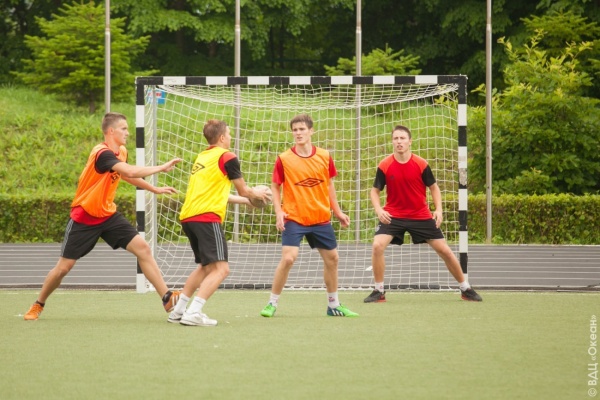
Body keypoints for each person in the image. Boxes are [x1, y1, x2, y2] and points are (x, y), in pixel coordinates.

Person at [24, 112, 182, 321]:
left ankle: (167, 298)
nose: (127, 133)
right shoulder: (101, 153)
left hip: (107, 215)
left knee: (143, 248)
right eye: (124, 129)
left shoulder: (121, 151)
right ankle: (39, 303)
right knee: (63, 268)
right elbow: (129, 171)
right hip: (84, 216)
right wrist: (161, 167)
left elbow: (125, 175)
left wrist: (154, 189)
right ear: (111, 131)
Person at [167, 119, 271, 327]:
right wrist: (257, 195)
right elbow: (244, 190)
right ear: (222, 137)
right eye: (229, 134)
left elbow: (218, 193)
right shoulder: (227, 156)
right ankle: (193, 312)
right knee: (222, 269)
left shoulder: (203, 157)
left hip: (189, 216)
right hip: (206, 217)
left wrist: (246, 201)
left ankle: (178, 311)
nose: (231, 137)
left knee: (205, 267)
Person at [364, 125, 482, 303]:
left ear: (410, 141)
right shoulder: (385, 165)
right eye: (396, 138)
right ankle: (378, 291)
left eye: (402, 138)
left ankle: (465, 288)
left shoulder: (421, 164)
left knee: (445, 250)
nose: (399, 142)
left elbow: (434, 188)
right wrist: (379, 210)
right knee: (377, 246)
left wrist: (439, 210)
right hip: (393, 215)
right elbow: (374, 191)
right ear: (392, 142)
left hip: (420, 215)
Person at [260, 114, 359, 318]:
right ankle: (271, 303)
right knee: (289, 258)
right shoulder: (284, 159)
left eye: (302, 129)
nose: (298, 133)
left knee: (333, 258)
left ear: (311, 131)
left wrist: (338, 212)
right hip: (294, 217)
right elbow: (275, 186)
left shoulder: (324, 156)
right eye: (295, 130)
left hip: (320, 218)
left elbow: (329, 185)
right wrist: (278, 211)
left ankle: (333, 305)